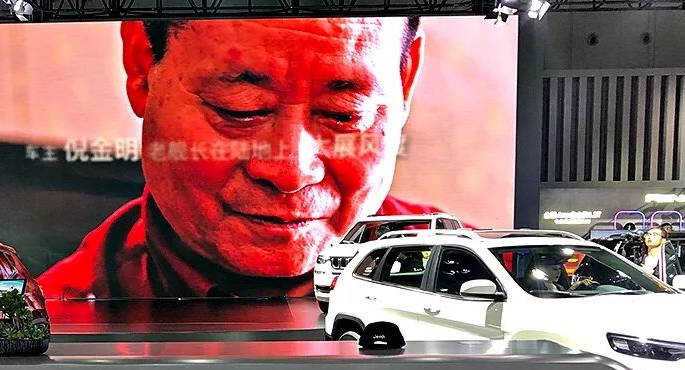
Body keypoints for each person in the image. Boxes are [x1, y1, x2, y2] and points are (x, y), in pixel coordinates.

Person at [38, 17, 440, 299]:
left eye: (344, 113)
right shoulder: (54, 329)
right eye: (240, 109)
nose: (291, 171)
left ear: (404, 81)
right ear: (143, 67)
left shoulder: (466, 281)